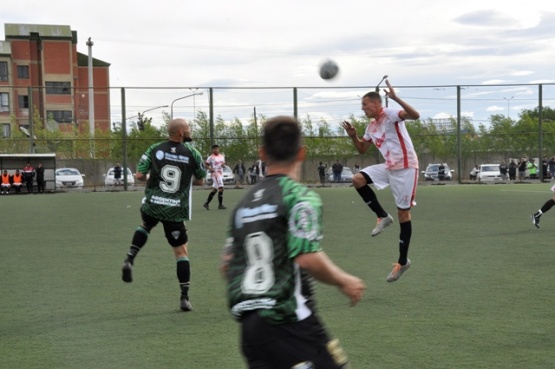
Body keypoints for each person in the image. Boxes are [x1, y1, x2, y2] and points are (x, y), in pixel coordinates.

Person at [220, 116, 365, 369]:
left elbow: (227, 264)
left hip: (250, 327)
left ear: (262, 153)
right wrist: (344, 279)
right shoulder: (299, 197)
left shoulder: (243, 204)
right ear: (301, 153)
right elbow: (307, 257)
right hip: (288, 318)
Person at [120, 118, 206, 312]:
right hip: (175, 209)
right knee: (181, 252)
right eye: (189, 128)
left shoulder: (155, 149)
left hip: (153, 204)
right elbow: (200, 181)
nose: (190, 130)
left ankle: (130, 258)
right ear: (182, 133)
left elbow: (140, 176)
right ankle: (184, 298)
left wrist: (152, 177)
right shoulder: (192, 152)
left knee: (145, 225)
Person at [341, 79, 420, 282]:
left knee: (403, 214)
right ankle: (382, 216)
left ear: (377, 104)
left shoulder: (391, 114)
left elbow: (415, 115)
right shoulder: (371, 127)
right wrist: (353, 136)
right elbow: (362, 149)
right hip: (389, 167)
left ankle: (402, 262)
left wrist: (396, 98)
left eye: (365, 105)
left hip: (406, 167)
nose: (363, 109)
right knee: (357, 179)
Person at [203, 144, 227, 210]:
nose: (215, 150)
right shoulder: (211, 157)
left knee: (215, 189)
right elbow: (206, 165)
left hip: (220, 173)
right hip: (215, 174)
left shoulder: (222, 156)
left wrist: (223, 165)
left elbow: (223, 164)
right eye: (214, 149)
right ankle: (220, 205)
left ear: (218, 149)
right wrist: (210, 169)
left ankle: (206, 203)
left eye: (216, 148)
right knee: (221, 188)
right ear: (212, 150)